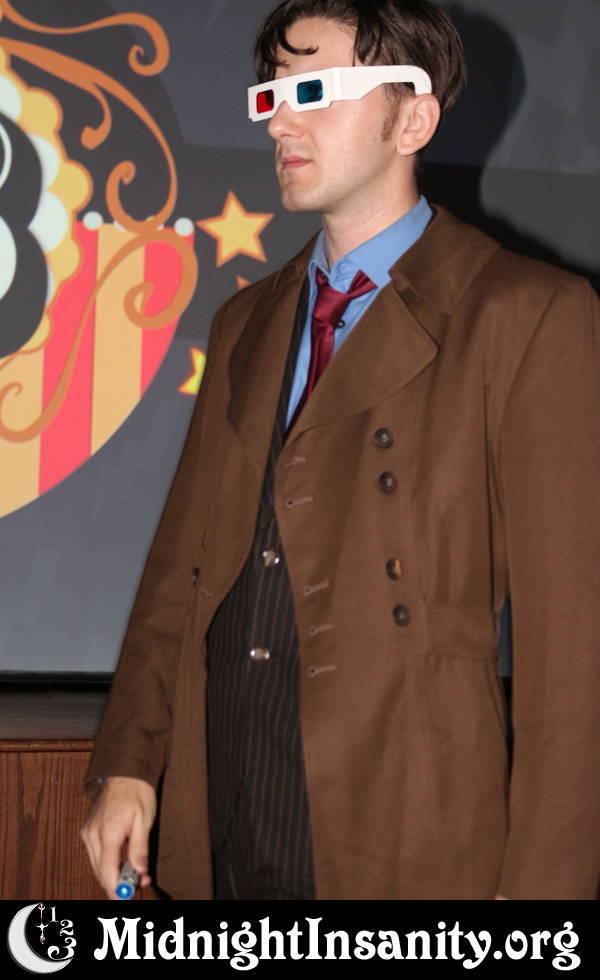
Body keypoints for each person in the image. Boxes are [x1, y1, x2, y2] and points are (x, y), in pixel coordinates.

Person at [81, 0, 600, 900]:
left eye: (314, 91)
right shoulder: (245, 320)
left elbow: (574, 653)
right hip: (226, 814)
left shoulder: (527, 313)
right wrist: (128, 762)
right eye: (272, 95)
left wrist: (542, 901)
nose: (280, 122)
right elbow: (179, 571)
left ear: (414, 118)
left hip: (405, 831)